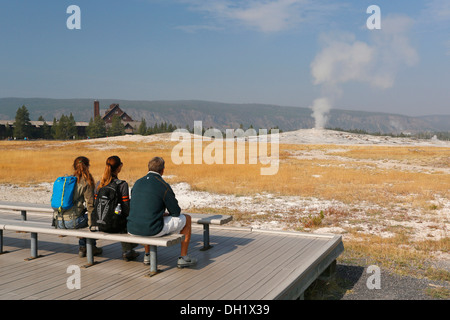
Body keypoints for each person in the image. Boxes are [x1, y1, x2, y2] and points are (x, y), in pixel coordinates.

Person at [127, 156, 197, 268]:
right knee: (187, 219)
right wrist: (164, 214)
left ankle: (147, 254)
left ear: (148, 168)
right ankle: (183, 257)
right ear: (162, 170)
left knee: (146, 218)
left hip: (132, 228)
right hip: (152, 229)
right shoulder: (163, 185)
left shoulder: (138, 183)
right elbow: (176, 212)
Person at [54, 156, 102, 257]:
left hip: (59, 221)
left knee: (82, 217)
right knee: (91, 219)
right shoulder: (85, 182)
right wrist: (91, 225)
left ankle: (82, 247)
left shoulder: (68, 181)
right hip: (72, 222)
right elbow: (90, 205)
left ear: (74, 167)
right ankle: (89, 247)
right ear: (88, 166)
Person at [94, 155, 139, 261]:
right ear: (120, 167)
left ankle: (128, 250)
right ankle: (127, 250)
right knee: (126, 219)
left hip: (100, 223)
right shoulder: (122, 184)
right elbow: (126, 207)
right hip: (115, 225)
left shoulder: (99, 184)